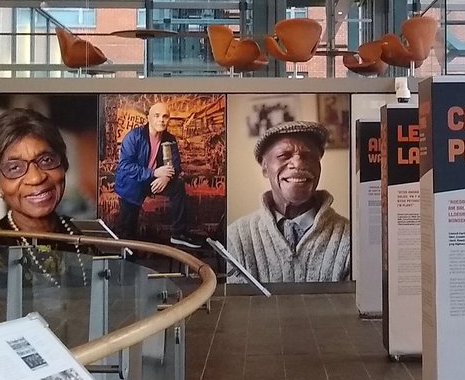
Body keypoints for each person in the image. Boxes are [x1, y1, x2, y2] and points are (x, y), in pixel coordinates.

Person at [0, 108, 91, 288]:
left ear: (63, 164)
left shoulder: (87, 239)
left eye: (46, 160)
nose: (36, 178)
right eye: (14, 168)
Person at [226, 120, 351, 283]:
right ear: (265, 167)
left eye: (308, 156)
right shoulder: (236, 238)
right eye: (284, 156)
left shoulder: (350, 238)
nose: (298, 164)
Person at [114, 101, 198, 248]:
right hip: (132, 184)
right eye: (157, 116)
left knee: (178, 185)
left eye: (165, 116)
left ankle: (178, 234)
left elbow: (175, 165)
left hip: (154, 181)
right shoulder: (134, 136)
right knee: (127, 233)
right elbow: (125, 166)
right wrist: (153, 172)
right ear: (149, 118)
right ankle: (127, 256)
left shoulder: (169, 139)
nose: (161, 120)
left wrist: (166, 177)